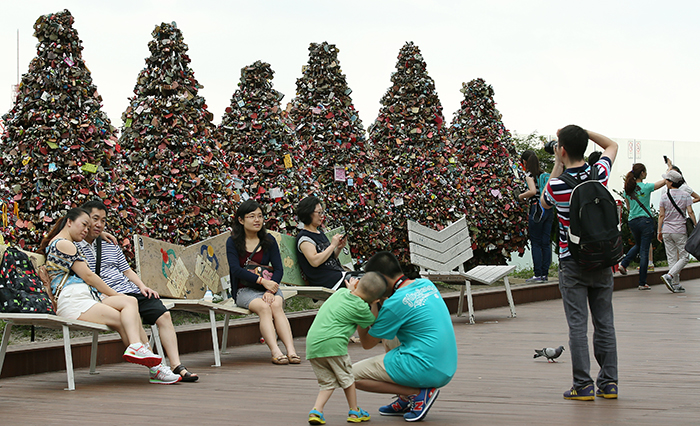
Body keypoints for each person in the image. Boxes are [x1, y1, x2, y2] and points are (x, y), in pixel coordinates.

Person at [76, 200, 197, 384]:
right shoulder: (75, 245)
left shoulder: (110, 244)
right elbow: (64, 226)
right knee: (133, 315)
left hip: (129, 290)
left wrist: (142, 286)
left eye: (103, 220)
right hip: (109, 295)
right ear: (84, 219)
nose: (99, 224)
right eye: (95, 219)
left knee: (163, 315)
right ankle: (156, 368)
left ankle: (177, 366)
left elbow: (126, 270)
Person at [540, 126, 619, 400]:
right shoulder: (600, 173)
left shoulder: (556, 185)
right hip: (602, 260)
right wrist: (585, 131)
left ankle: (582, 385)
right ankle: (609, 384)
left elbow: (544, 203)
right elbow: (612, 146)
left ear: (561, 150)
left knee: (578, 326)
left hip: (572, 263)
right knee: (605, 323)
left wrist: (556, 164)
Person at [37, 208, 164, 375]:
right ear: (69, 221)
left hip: (85, 297)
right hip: (73, 300)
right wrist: (115, 294)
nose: (86, 231)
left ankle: (144, 355)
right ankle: (155, 367)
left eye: (88, 228)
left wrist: (100, 235)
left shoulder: (66, 242)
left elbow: (84, 228)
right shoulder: (63, 244)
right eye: (84, 225)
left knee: (130, 303)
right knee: (125, 316)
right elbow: (89, 277)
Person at [352, 251, 457, 422]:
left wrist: (364, 300)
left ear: (381, 278)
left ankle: (416, 394)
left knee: (349, 376)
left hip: (427, 367)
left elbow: (367, 343)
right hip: (445, 365)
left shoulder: (395, 303)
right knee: (390, 335)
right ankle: (404, 397)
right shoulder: (426, 284)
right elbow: (387, 326)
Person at [306, 272, 386, 425]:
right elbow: (372, 320)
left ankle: (317, 410)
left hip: (313, 344)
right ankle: (354, 411)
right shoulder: (362, 308)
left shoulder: (341, 292)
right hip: (333, 345)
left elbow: (349, 295)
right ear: (375, 298)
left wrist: (351, 289)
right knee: (348, 379)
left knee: (327, 382)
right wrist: (374, 304)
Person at [226, 199, 300, 365]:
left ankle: (291, 351)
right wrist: (262, 281)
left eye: (260, 216)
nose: (257, 220)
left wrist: (270, 290)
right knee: (264, 308)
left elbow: (279, 269)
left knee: (276, 305)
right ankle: (275, 351)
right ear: (241, 220)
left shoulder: (269, 241)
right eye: (251, 216)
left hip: (269, 288)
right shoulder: (233, 242)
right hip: (244, 290)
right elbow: (236, 270)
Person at [618, 163, 665, 290]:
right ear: (642, 173)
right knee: (644, 251)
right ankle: (642, 282)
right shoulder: (646, 187)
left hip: (632, 221)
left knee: (639, 246)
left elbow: (628, 207)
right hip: (645, 221)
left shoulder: (628, 189)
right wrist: (669, 170)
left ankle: (624, 264)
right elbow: (662, 183)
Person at [296, 196, 349, 290]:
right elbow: (315, 261)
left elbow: (329, 259)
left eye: (322, 212)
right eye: (319, 212)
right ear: (308, 213)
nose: (322, 216)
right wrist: (332, 245)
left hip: (337, 276)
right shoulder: (304, 238)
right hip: (327, 281)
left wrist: (339, 248)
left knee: (372, 280)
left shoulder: (320, 233)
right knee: (367, 284)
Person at [657, 170, 696, 293]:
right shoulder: (685, 195)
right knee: (685, 256)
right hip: (679, 230)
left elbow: (661, 215)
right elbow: (690, 212)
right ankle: (670, 276)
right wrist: (695, 225)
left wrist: (659, 231)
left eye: (667, 180)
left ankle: (675, 283)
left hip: (666, 230)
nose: (666, 182)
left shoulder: (664, 197)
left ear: (671, 182)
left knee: (672, 257)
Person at [518, 150, 553, 283]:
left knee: (536, 243)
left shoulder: (529, 175)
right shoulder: (544, 175)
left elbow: (532, 191)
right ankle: (545, 274)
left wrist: (521, 196)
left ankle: (537, 274)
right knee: (545, 242)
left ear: (525, 162)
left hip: (536, 210)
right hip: (548, 210)